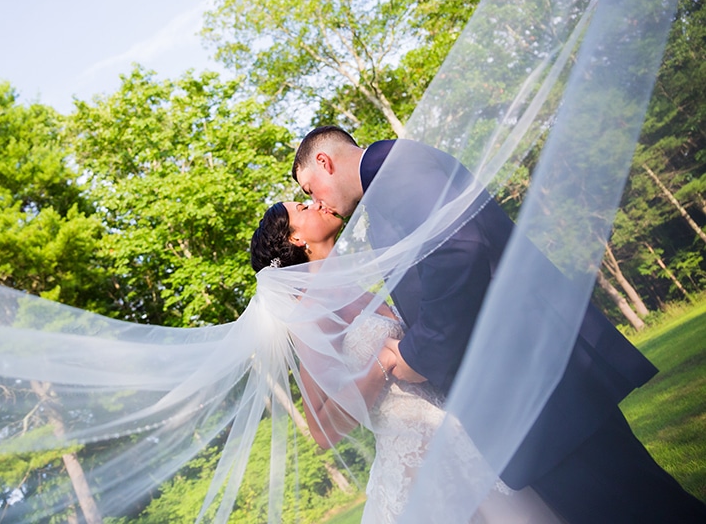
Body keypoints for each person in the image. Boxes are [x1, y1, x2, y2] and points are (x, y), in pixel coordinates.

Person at [290, 125, 706, 523]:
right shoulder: (386, 182)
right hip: (519, 386)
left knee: (630, 507)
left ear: (325, 161)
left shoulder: (396, 167)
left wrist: (420, 353)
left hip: (529, 380)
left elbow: (457, 248)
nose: (319, 202)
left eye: (311, 190)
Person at [250, 201, 564, 523]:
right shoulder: (311, 312)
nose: (316, 204)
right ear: (296, 238)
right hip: (420, 460)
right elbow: (321, 431)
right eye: (303, 207)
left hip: (459, 428)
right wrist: (383, 363)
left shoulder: (350, 287)